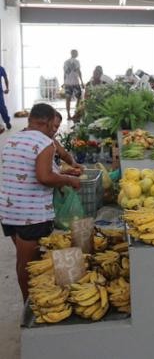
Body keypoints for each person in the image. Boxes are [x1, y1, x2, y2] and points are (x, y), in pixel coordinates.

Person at [0, 103, 82, 301]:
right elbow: (44, 177)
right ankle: (32, 305)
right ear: (46, 123)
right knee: (28, 264)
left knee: (28, 260)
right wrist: (69, 180)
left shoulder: (12, 139)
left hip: (8, 212)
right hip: (32, 215)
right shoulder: (44, 142)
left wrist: (61, 173)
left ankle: (32, 300)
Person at [63, 49, 83, 120]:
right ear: (74, 53)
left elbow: (64, 73)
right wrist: (82, 82)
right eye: (77, 53)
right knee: (79, 98)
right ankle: (76, 113)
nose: (77, 54)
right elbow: (79, 72)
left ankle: (68, 115)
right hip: (75, 83)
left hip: (67, 83)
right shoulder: (77, 62)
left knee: (68, 99)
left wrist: (64, 82)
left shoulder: (65, 62)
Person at [0, 64, 11, 130]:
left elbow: (5, 78)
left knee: (2, 108)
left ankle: (7, 122)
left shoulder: (1, 69)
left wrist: (7, 88)